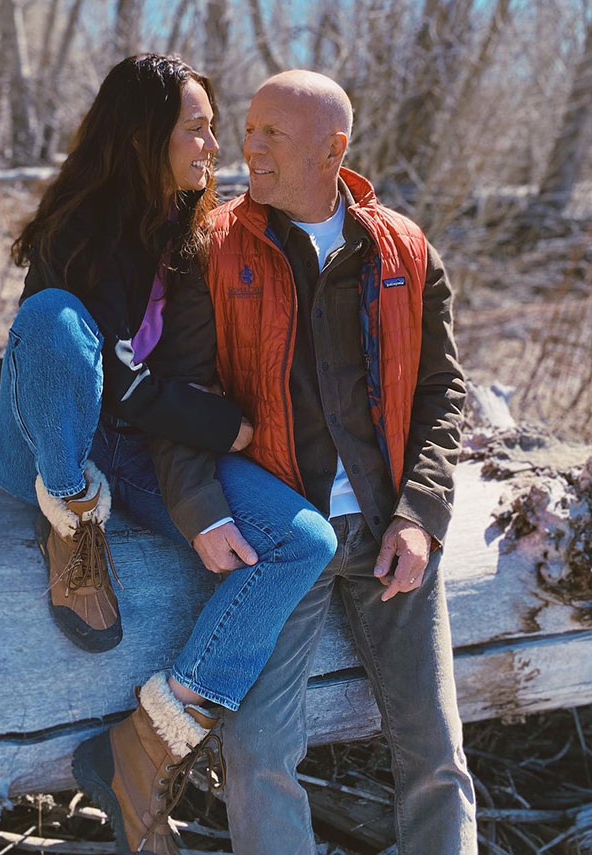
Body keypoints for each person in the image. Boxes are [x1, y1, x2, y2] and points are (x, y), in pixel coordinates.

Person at [0, 56, 337, 854]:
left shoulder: (194, 236)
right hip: (46, 444)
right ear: (145, 136)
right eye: (196, 126)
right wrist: (215, 424)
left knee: (303, 540)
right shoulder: (77, 228)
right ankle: (73, 528)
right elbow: (113, 383)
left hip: (139, 454)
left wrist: (212, 454)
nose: (213, 142)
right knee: (56, 321)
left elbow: (171, 379)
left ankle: (145, 745)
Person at [147, 70, 478, 854]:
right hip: (280, 539)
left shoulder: (406, 250)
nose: (246, 148)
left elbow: (442, 394)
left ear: (333, 151)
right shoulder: (213, 249)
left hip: (389, 532)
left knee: (436, 752)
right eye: (248, 127)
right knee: (257, 751)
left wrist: (422, 516)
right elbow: (177, 398)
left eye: (272, 135)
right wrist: (199, 506)